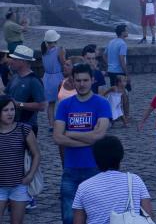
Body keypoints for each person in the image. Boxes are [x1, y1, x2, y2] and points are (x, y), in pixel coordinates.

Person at [53, 63, 111, 224]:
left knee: (96, 216)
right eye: (78, 80)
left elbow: (99, 135)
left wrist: (70, 133)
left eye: (85, 80)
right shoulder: (64, 105)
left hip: (95, 169)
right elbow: (57, 137)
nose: (82, 84)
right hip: (70, 170)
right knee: (69, 217)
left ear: (92, 80)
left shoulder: (101, 103)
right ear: (73, 81)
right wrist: (88, 138)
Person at [72, 135, 154, 224]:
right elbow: (148, 216)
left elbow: (78, 222)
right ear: (121, 156)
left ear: (95, 158)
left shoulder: (84, 187)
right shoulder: (135, 180)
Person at [0, 95, 41, 224]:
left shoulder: (24, 129)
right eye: (5, 110)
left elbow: (37, 155)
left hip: (19, 186)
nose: (10, 113)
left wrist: (30, 175)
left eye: (12, 110)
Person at [5, 45, 47, 137]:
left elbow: (42, 105)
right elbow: (6, 95)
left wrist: (18, 104)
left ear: (22, 61)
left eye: (15, 59)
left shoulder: (34, 81)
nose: (11, 61)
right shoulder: (15, 77)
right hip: (12, 124)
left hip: (28, 125)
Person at [41, 29, 66, 131]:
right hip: (58, 77)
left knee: (51, 104)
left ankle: (51, 124)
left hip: (47, 78)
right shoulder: (59, 50)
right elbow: (63, 63)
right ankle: (62, 123)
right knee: (63, 102)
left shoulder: (44, 50)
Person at [104, 24, 131, 90]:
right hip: (119, 72)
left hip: (111, 71)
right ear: (122, 33)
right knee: (124, 92)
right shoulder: (123, 44)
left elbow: (104, 55)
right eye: (126, 31)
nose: (128, 32)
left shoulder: (111, 42)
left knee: (114, 92)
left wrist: (109, 64)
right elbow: (121, 60)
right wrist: (127, 74)